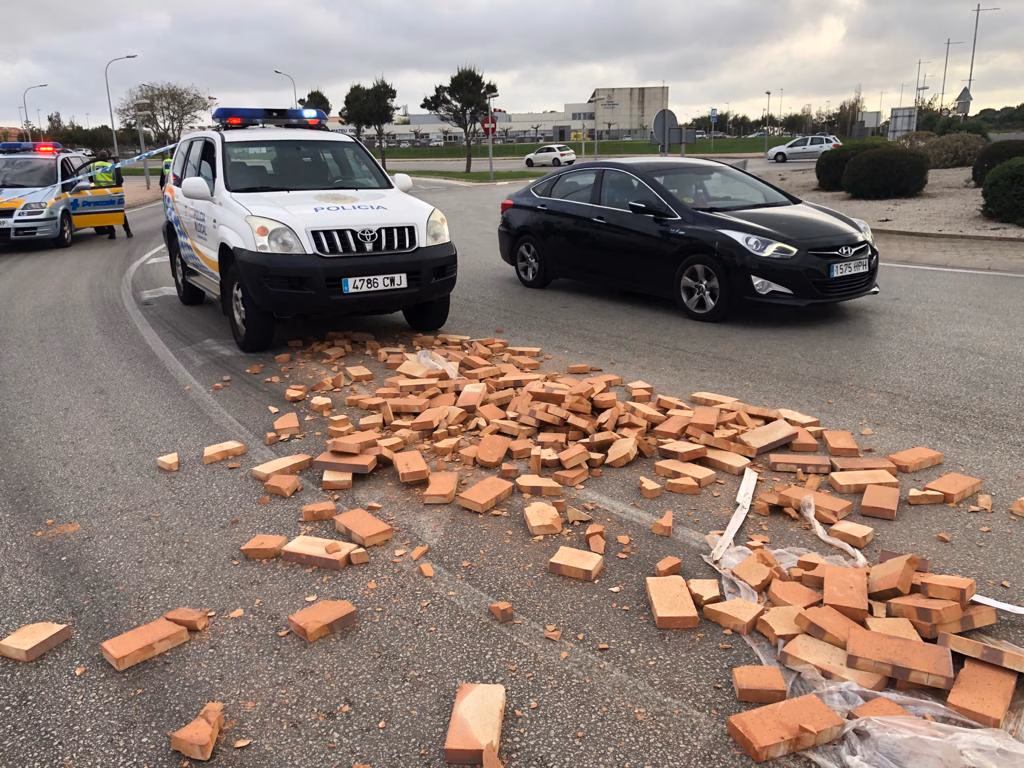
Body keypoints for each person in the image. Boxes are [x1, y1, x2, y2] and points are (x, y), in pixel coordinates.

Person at [93, 150, 132, 239]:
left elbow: (90, 179)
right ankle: (128, 232)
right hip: (113, 191)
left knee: (106, 214)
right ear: (107, 158)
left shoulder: (93, 166)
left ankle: (112, 233)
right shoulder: (111, 166)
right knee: (120, 212)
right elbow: (119, 179)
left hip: (100, 192)